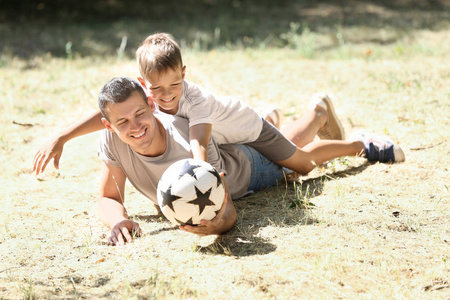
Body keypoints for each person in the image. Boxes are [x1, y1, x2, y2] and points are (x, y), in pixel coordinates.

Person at [93, 76, 402, 245]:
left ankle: (351, 138)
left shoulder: (191, 142)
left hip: (248, 170)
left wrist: (216, 228)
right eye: (122, 123)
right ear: (108, 125)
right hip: (236, 147)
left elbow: (227, 211)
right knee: (286, 143)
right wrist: (118, 220)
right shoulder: (111, 140)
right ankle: (275, 117)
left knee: (297, 162)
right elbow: (108, 196)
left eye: (140, 114)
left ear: (151, 104)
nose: (135, 127)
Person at [32, 32, 381, 176]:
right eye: (157, 89)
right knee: (284, 153)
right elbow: (111, 114)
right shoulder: (145, 94)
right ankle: (286, 116)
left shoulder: (194, 98)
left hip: (246, 128)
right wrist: (63, 135)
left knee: (301, 165)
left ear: (184, 73)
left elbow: (198, 138)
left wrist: (201, 170)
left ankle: (349, 138)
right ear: (143, 83)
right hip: (226, 137)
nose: (167, 95)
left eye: (175, 84)